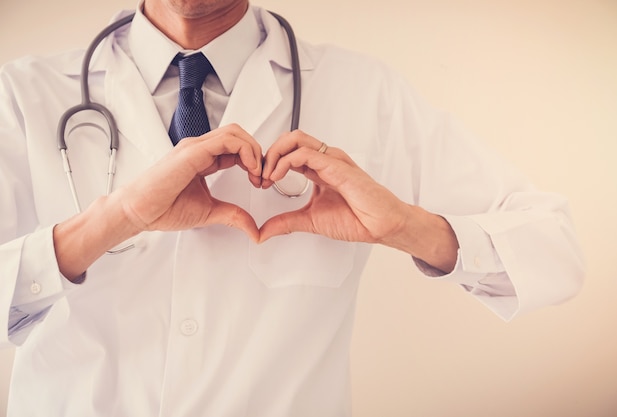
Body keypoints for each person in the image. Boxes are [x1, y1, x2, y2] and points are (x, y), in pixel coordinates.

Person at [0, 0, 584, 415]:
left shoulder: (366, 92)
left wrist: (406, 226)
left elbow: (554, 250)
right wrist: (114, 219)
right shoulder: (23, 96)